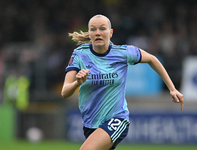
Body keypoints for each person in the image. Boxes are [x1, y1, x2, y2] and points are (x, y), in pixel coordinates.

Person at [61, 14, 184, 150]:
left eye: (102, 29)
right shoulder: (79, 54)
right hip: (91, 123)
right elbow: (65, 92)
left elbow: (152, 59)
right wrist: (77, 83)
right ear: (89, 33)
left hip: (117, 118)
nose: (98, 33)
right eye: (93, 29)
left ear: (110, 32)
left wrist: (172, 89)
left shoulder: (123, 53)